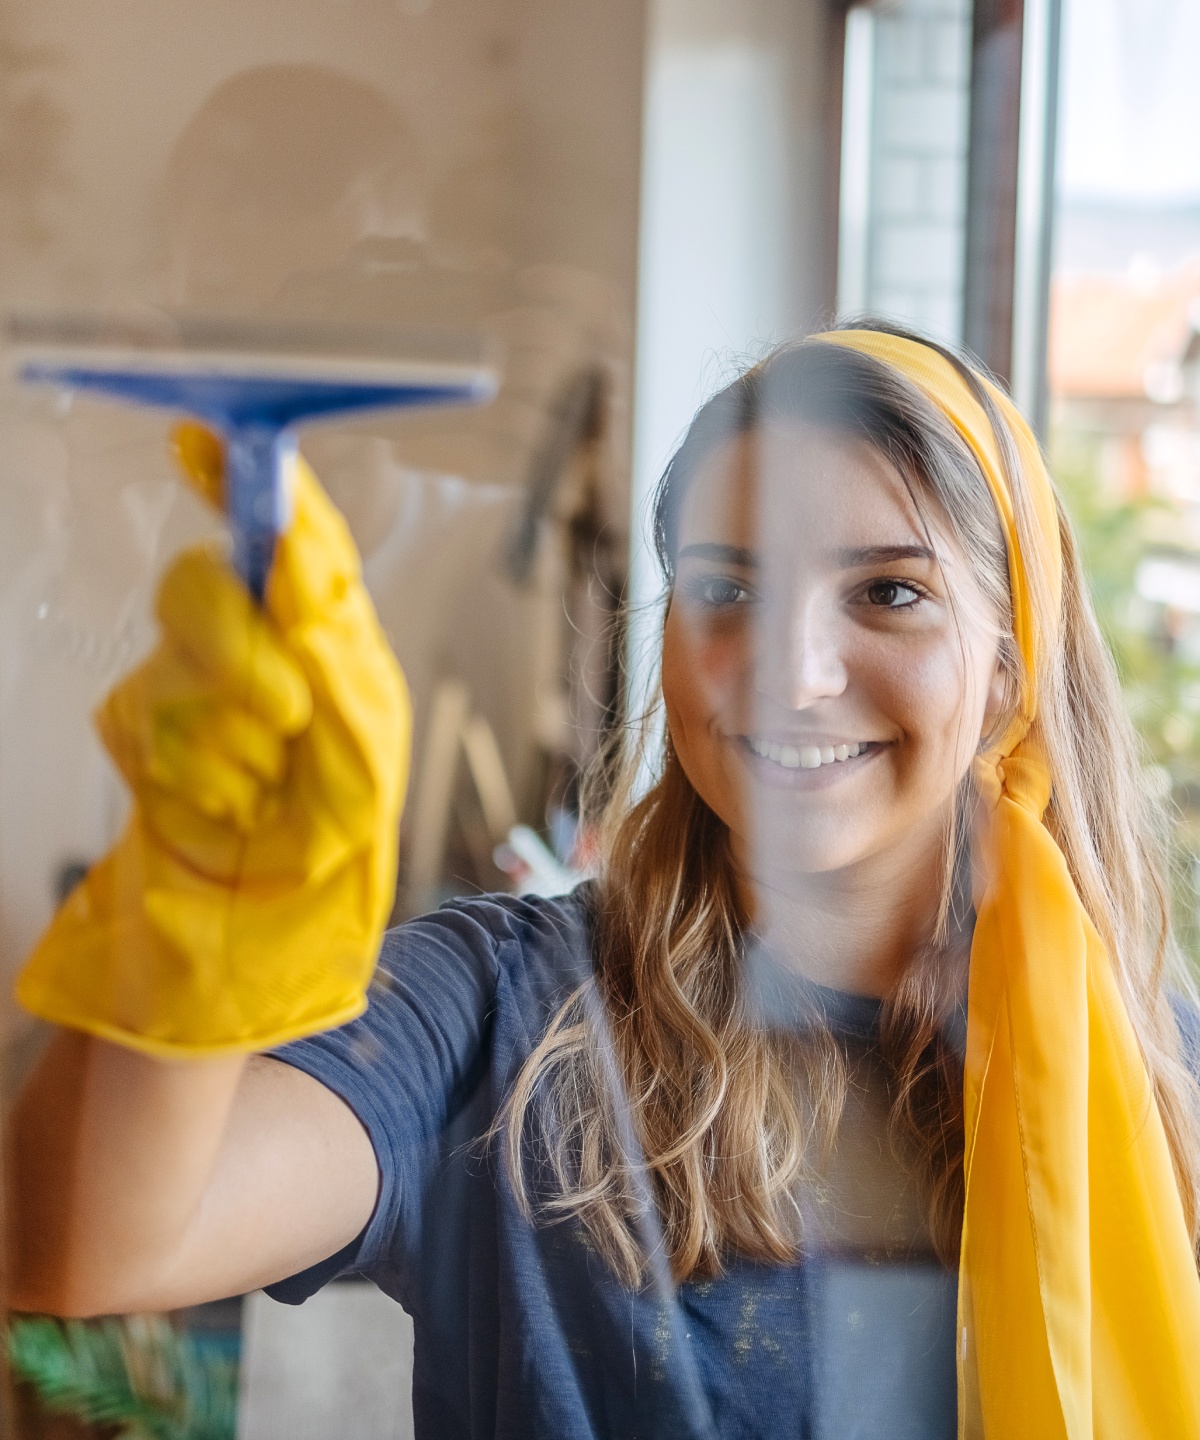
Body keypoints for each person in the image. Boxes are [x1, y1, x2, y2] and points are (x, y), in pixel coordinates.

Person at [9, 323, 1200, 1439]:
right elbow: (80, 1244)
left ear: (1010, 668)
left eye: (890, 592)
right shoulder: (500, 1011)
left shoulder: (1146, 1067)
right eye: (729, 587)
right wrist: (195, 884)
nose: (792, 671)